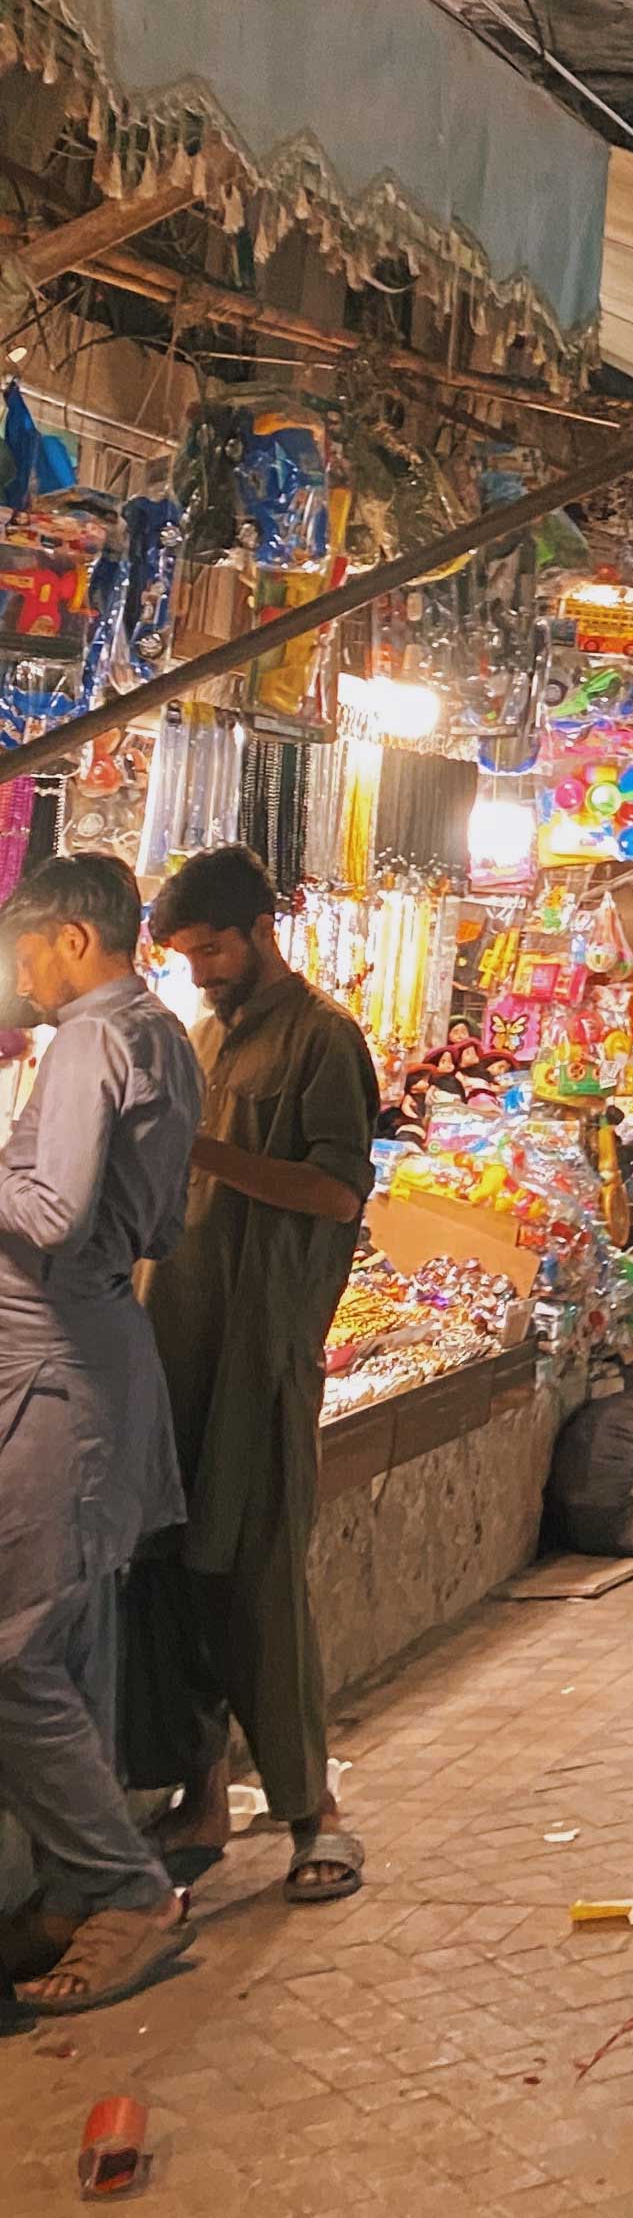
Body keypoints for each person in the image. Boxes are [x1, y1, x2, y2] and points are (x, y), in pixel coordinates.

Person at [135, 840, 378, 1905]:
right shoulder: (204, 1036)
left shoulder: (326, 1041)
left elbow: (335, 1194)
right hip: (178, 1344)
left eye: (213, 950)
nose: (201, 971)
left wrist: (204, 1152)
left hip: (260, 1352)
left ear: (260, 930)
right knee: (177, 1574)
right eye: (187, 956)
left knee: (261, 1579)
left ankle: (313, 1816)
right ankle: (199, 1794)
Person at [0, 852, 201, 2015]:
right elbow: (151, 1223)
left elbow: (52, 1211)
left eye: (25, 949)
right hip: (91, 1367)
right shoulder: (161, 1036)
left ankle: (126, 1890)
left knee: (17, 1655)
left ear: (74, 940)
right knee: (69, 1647)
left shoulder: (89, 1039)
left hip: (60, 1380)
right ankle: (84, 1880)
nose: (18, 976)